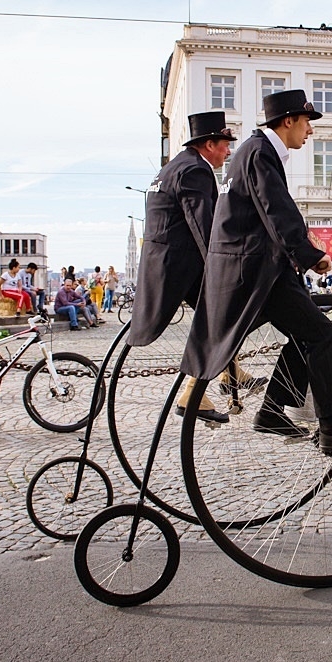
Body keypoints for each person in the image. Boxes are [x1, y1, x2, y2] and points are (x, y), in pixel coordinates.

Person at [182, 89, 332, 455]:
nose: (310, 131)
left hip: (260, 266)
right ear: (288, 121)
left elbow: (272, 209)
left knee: (306, 332)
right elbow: (275, 210)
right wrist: (310, 254)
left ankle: (273, 411)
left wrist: (300, 249)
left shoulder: (257, 151)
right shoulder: (259, 152)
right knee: (321, 334)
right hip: (256, 270)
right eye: (306, 122)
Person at [127, 110, 246, 426]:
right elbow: (203, 226)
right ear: (209, 144)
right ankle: (193, 391)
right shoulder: (196, 171)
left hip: (164, 262)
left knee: (223, 313)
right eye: (224, 144)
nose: (228, 151)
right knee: (228, 306)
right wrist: (225, 266)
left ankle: (228, 371)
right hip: (180, 266)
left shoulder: (171, 168)